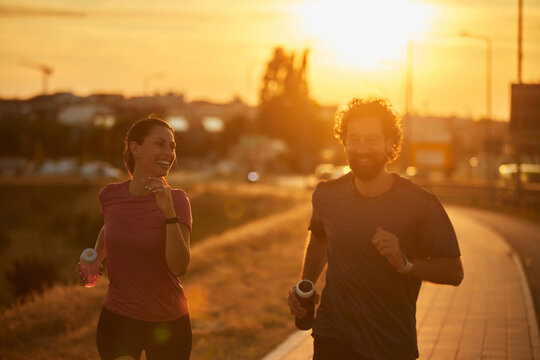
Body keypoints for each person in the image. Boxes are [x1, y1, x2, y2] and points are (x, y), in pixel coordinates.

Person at [288, 98, 464, 360]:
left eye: (371, 139)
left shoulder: (420, 204)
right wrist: (306, 285)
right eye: (354, 139)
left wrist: (405, 264)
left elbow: (453, 272)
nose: (362, 148)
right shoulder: (327, 196)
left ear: (389, 144)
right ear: (344, 142)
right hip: (332, 336)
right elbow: (320, 238)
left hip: (391, 344)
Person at [77, 116, 193, 360]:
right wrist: (96, 256)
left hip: (168, 322)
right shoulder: (109, 196)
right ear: (135, 148)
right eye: (160, 144)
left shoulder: (178, 201)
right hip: (119, 319)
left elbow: (179, 266)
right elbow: (112, 226)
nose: (169, 153)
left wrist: (169, 213)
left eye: (172, 147)